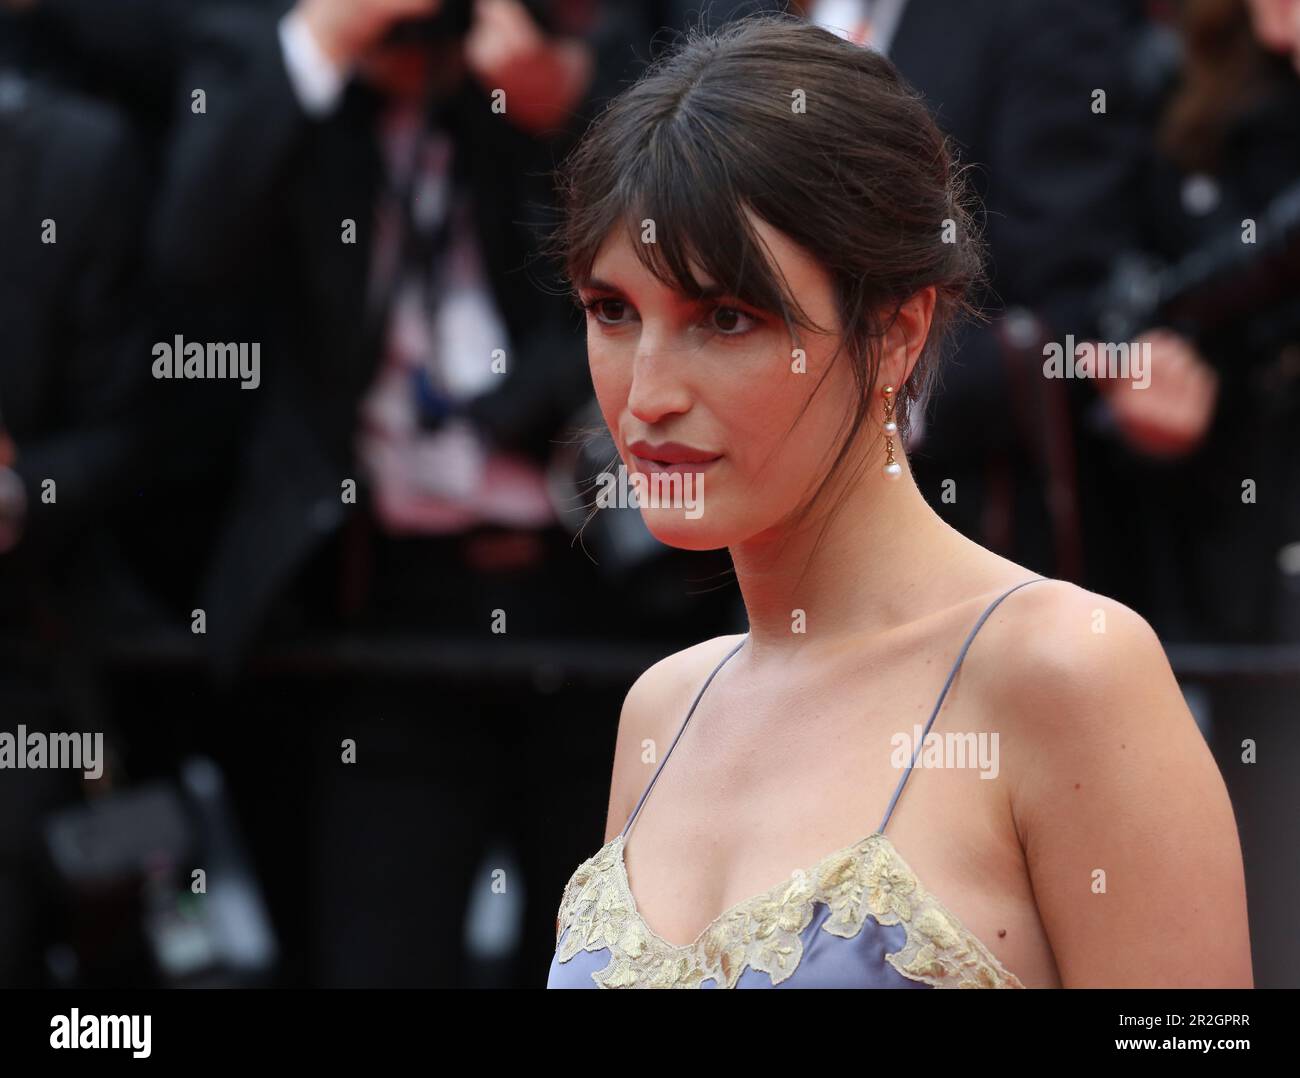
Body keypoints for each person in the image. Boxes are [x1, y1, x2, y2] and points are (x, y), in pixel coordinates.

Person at [545, 15, 1251, 988]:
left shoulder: (1066, 671)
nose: (648, 390)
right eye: (612, 311)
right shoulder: (662, 707)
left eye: (726, 317)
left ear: (895, 330)